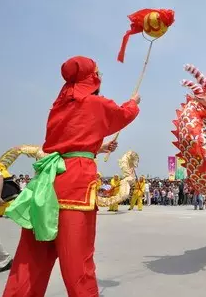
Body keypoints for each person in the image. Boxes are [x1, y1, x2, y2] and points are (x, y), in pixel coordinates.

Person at [3, 55, 140, 297]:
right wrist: (133, 102)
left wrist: (98, 147)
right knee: (78, 261)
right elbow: (122, 115)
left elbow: (68, 142)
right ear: (92, 78)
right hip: (76, 184)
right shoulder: (95, 103)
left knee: (31, 258)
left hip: (47, 183)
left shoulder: (58, 106)